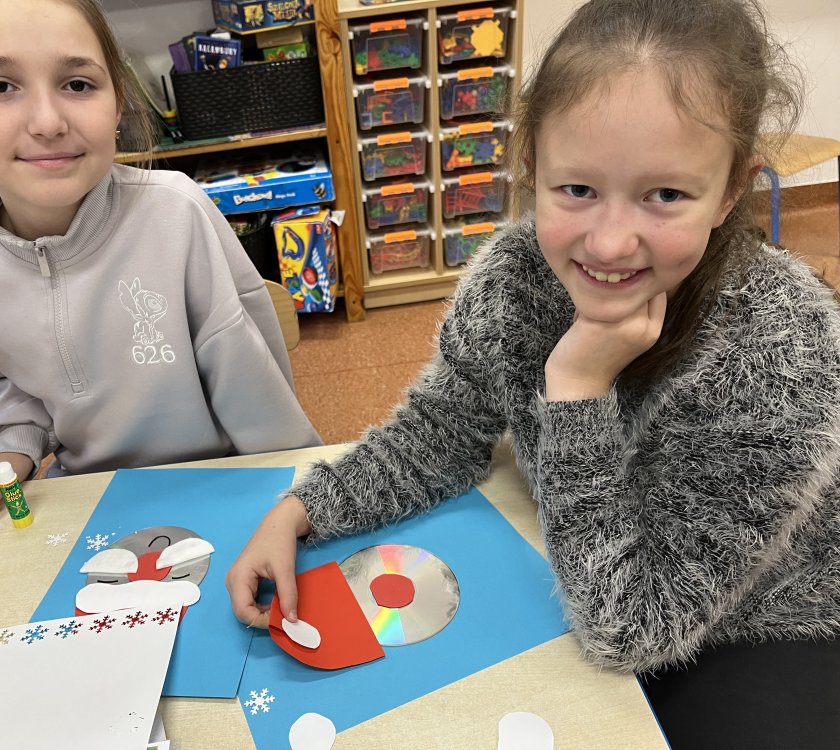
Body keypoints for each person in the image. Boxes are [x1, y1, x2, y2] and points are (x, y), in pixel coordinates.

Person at [227, 0, 840, 746]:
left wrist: (577, 389)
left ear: (732, 190)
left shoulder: (782, 341)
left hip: (763, 619)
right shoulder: (514, 279)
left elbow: (631, 626)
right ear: (531, 167)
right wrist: (300, 511)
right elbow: (441, 432)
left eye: (666, 195)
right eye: (577, 189)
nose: (609, 244)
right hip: (587, 569)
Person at [0, 0, 321, 520]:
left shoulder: (176, 213)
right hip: (86, 503)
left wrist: (304, 502)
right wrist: (10, 453)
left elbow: (260, 400)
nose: (47, 122)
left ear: (117, 100)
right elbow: (18, 388)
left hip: (223, 488)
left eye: (78, 84)